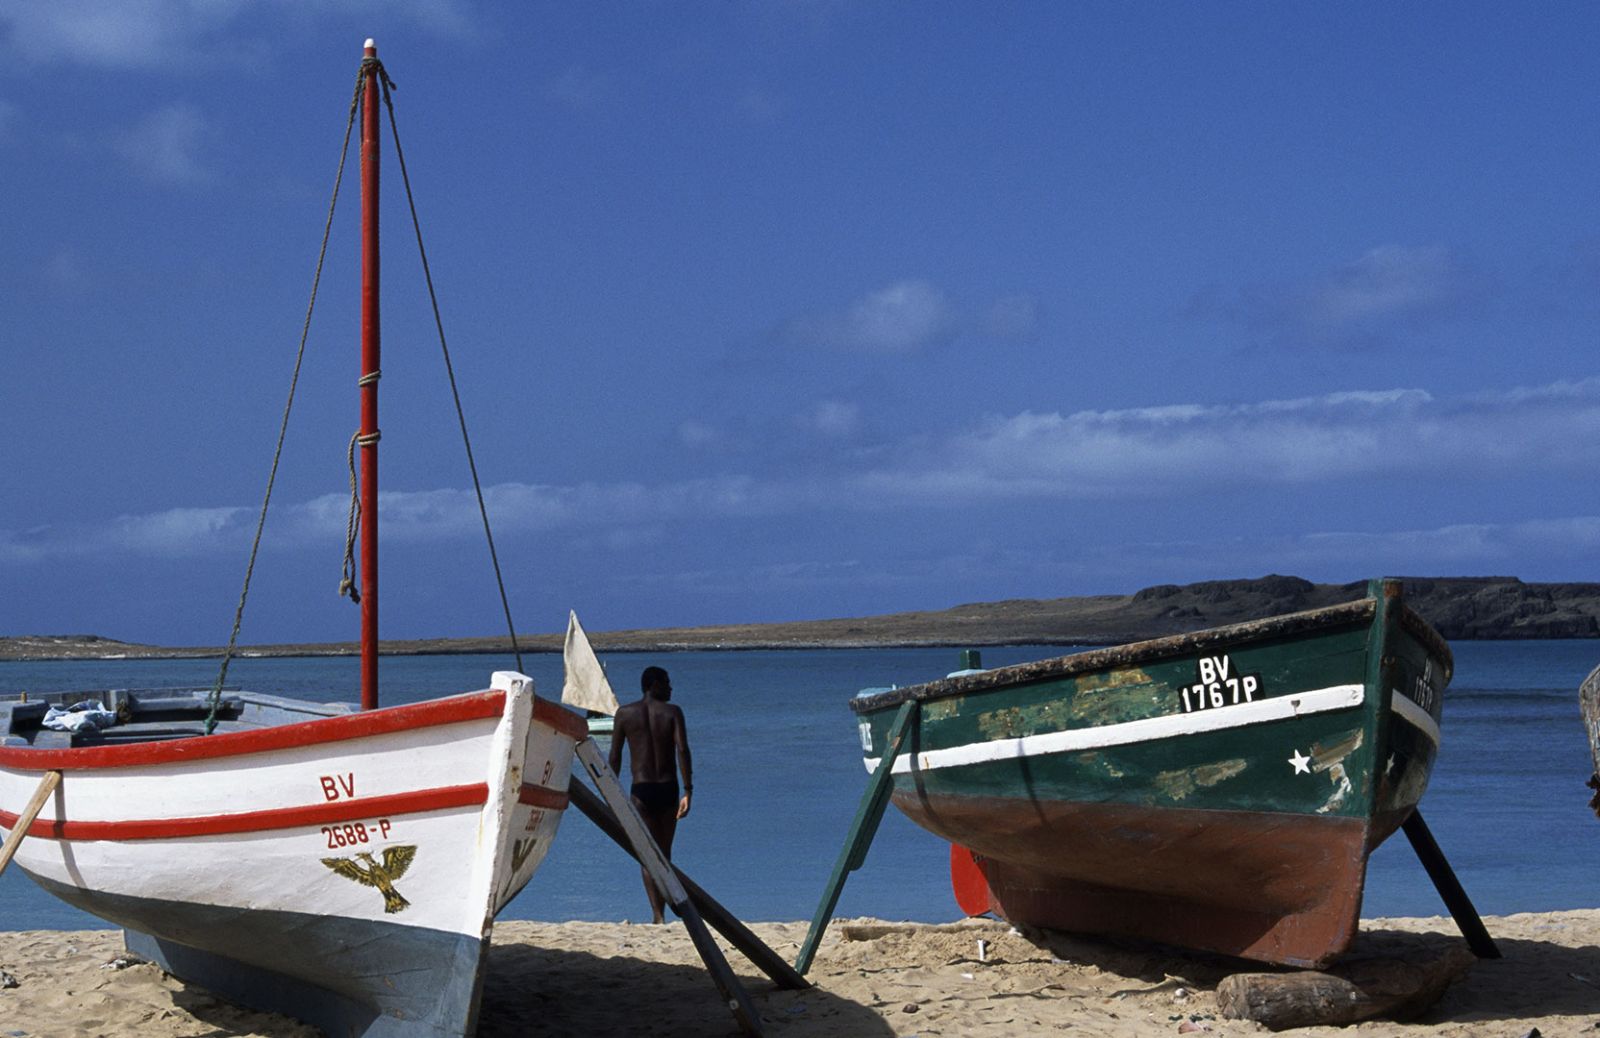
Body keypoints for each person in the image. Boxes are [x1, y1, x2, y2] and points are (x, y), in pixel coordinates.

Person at [608, 665, 692, 923]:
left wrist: (611, 793)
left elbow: (615, 757)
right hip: (667, 789)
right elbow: (682, 750)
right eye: (666, 682)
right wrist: (688, 790)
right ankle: (662, 913)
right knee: (663, 853)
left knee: (647, 854)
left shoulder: (624, 714)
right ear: (653, 684)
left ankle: (658, 915)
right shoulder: (672, 712)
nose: (670, 687)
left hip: (640, 790)